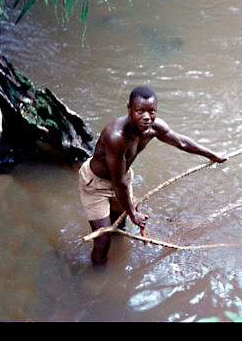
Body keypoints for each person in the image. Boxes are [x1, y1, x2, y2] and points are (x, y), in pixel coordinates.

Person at [79, 86, 227, 266]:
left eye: (151, 111)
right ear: (129, 109)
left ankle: (119, 259)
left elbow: (180, 142)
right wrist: (134, 213)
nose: (147, 117)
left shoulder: (154, 128)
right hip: (97, 184)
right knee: (102, 242)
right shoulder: (117, 136)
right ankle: (97, 282)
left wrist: (212, 155)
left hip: (122, 178)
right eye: (140, 111)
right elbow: (117, 183)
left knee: (119, 226)